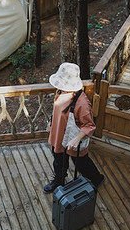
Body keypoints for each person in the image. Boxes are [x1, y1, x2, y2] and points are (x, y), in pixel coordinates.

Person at [44, 62, 105, 193]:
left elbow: (89, 125)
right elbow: (58, 111)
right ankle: (59, 181)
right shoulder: (60, 91)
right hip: (59, 134)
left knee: (82, 164)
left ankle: (96, 179)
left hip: (73, 137)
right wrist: (51, 123)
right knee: (59, 161)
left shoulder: (82, 102)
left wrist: (76, 139)